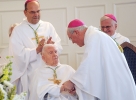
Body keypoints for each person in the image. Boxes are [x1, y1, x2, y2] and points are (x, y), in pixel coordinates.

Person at [62, 19, 136, 100]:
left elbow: (88, 65)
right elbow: (95, 70)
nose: (72, 42)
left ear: (76, 32)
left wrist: (72, 82)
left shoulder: (94, 36)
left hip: (116, 83)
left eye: (70, 38)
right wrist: (77, 86)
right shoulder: (94, 35)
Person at [9, 0, 63, 98]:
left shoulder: (48, 26)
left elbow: (59, 47)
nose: (36, 14)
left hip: (49, 71)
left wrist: (51, 47)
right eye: (32, 12)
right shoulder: (18, 30)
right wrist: (36, 50)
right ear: (25, 12)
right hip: (31, 74)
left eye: (38, 11)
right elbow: (17, 55)